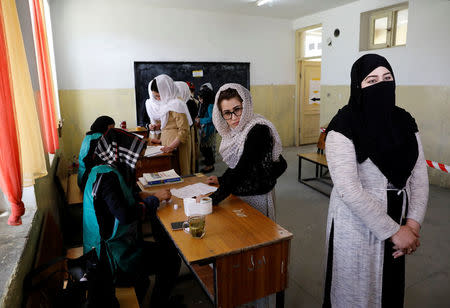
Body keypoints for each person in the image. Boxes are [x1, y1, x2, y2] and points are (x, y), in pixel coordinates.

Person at [322, 54, 429, 308]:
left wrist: (412, 225)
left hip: (401, 221)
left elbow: (419, 175)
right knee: (356, 293)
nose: (381, 85)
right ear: (358, 86)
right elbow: (348, 189)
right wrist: (395, 231)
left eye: (387, 78)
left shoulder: (404, 120)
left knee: (389, 290)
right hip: (356, 224)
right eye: (372, 80)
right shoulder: (342, 125)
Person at [83, 128, 182, 307]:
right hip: (111, 261)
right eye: (137, 159)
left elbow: (113, 204)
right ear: (121, 154)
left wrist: (138, 196)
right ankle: (159, 304)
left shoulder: (101, 170)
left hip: (105, 251)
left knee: (163, 250)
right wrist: (154, 199)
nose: (140, 165)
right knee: (171, 258)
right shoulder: (107, 179)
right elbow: (125, 215)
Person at [150, 74, 193, 176]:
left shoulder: (177, 104)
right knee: (170, 174)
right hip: (168, 145)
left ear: (166, 90)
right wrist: (157, 126)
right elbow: (170, 123)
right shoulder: (167, 103)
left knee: (179, 173)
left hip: (177, 146)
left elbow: (184, 129)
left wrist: (171, 146)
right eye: (155, 96)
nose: (158, 98)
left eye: (159, 95)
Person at [77, 115, 115, 190]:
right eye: (111, 128)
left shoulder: (90, 136)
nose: (113, 130)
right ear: (105, 127)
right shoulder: (99, 139)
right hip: (86, 182)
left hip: (81, 176)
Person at [175, 81, 197, 174]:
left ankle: (190, 172)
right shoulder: (175, 103)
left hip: (187, 131)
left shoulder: (191, 103)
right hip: (178, 132)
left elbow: (191, 119)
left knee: (187, 156)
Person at [195, 83, 216, 173]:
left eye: (201, 98)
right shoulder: (204, 104)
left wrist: (201, 120)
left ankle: (210, 166)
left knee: (207, 148)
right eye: (198, 98)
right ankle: (208, 162)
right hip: (204, 129)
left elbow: (212, 118)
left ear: (206, 97)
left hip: (209, 129)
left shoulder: (210, 105)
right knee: (204, 147)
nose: (199, 100)